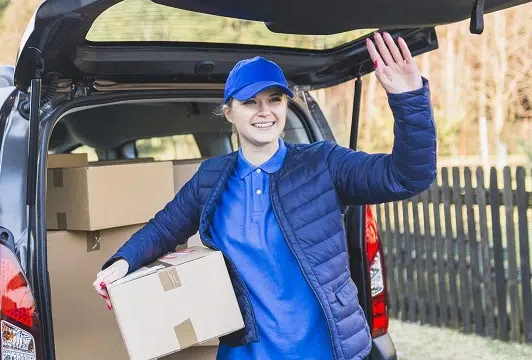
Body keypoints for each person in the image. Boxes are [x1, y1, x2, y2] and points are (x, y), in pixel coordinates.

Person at [93, 32, 436, 360]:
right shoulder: (211, 177)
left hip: (325, 351)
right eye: (250, 102)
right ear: (229, 111)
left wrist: (409, 101)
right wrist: (120, 265)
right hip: (244, 353)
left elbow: (407, 176)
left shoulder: (323, 162)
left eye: (274, 99)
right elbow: (164, 228)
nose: (264, 111)